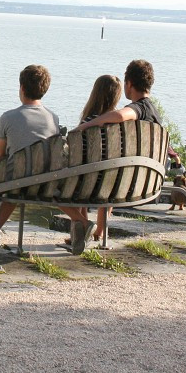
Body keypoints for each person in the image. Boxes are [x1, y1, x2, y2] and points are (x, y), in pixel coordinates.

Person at [73, 59, 163, 252]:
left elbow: (121, 115)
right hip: (140, 181)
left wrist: (86, 125)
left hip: (119, 183)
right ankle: (100, 232)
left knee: (83, 174)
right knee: (111, 171)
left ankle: (83, 229)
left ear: (129, 83)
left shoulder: (141, 108)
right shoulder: (154, 113)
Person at [0, 65, 60, 247]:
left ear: (22, 88)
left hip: (16, 180)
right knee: (15, 183)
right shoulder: (53, 117)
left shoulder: (8, 117)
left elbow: (0, 155)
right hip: (44, 181)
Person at [56, 74, 122, 250]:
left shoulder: (88, 122)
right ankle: (99, 232)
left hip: (88, 184)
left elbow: (77, 158)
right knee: (105, 176)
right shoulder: (122, 125)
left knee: (77, 178)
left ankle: (82, 227)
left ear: (95, 93)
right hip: (115, 185)